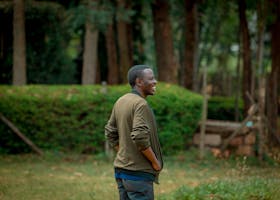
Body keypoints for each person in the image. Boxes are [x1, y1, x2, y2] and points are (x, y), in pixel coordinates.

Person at [105, 65, 163, 200]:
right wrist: (155, 163)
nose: (155, 82)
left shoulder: (121, 100)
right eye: (151, 78)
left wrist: (123, 152)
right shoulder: (140, 104)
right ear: (139, 82)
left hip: (121, 170)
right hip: (138, 174)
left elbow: (110, 132)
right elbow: (140, 137)